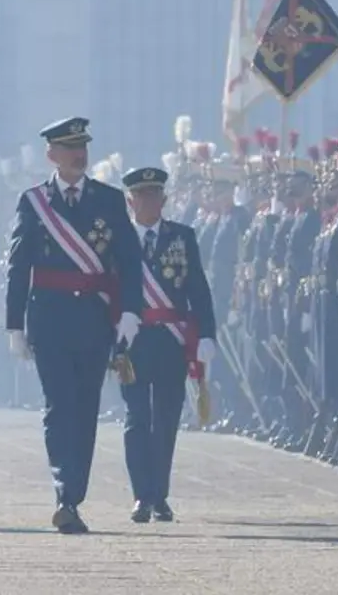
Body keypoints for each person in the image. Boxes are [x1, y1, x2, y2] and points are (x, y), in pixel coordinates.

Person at [4, 117, 144, 534]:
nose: (79, 153)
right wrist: (15, 325)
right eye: (69, 147)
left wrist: (131, 312)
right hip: (48, 320)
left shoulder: (109, 200)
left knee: (85, 409)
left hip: (94, 322)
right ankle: (66, 495)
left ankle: (74, 494)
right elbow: (18, 266)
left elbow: (130, 262)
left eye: (82, 145)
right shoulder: (33, 203)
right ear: (52, 155)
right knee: (58, 405)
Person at [119, 166, 216, 524]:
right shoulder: (119, 238)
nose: (149, 201)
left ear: (164, 198)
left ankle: (159, 494)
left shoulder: (182, 236)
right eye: (141, 195)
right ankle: (141, 495)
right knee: (137, 418)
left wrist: (207, 333)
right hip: (133, 339)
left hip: (172, 340)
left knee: (166, 419)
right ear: (130, 201)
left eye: (155, 194)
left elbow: (198, 288)